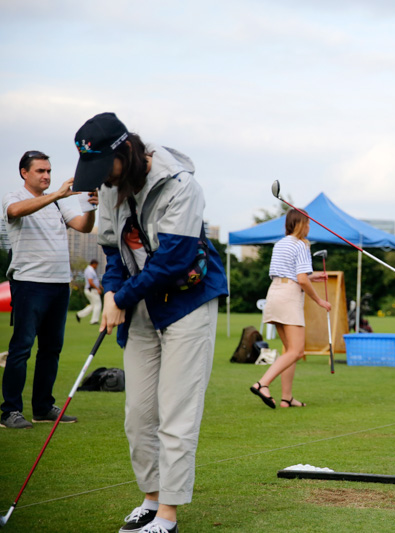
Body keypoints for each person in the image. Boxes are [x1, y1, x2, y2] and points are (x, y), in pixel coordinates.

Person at [72, 112, 228, 533]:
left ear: (126, 151)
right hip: (141, 305)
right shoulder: (109, 187)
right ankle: (151, 497)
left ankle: (169, 514)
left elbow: (173, 258)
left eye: (106, 167)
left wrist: (120, 297)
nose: (103, 179)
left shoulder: (180, 183)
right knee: (138, 414)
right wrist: (109, 294)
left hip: (187, 301)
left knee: (176, 413)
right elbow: (111, 250)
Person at [1, 150, 97, 429]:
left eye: (49, 171)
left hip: (59, 285)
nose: (46, 175)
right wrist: (57, 194)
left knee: (51, 349)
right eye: (40, 171)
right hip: (29, 283)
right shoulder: (14, 197)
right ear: (24, 173)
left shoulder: (59, 204)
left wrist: (91, 206)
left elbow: (82, 226)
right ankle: (9, 412)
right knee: (21, 349)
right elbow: (15, 212)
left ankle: (42, 408)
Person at [250, 209, 331, 409]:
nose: (309, 227)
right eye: (308, 223)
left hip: (275, 293)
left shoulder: (280, 243)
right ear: (300, 224)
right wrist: (319, 300)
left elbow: (292, 274)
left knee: (290, 351)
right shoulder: (302, 245)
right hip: (289, 297)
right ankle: (262, 384)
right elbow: (301, 280)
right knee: (296, 351)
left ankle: (286, 398)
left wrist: (313, 277)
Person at [76, 259, 103, 324]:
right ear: (94, 264)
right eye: (96, 265)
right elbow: (90, 282)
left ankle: (79, 314)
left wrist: (100, 286)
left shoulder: (90, 270)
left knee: (93, 305)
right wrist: (97, 289)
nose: (96, 266)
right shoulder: (90, 270)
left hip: (90, 290)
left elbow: (94, 281)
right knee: (98, 305)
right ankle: (94, 320)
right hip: (91, 290)